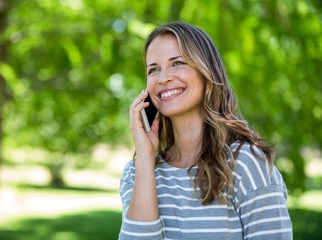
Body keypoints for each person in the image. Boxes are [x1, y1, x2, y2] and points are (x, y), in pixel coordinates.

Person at [118, 22, 292, 240]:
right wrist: (145, 157)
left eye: (177, 63)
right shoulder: (136, 173)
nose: (163, 78)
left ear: (207, 72)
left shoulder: (246, 164)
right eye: (153, 69)